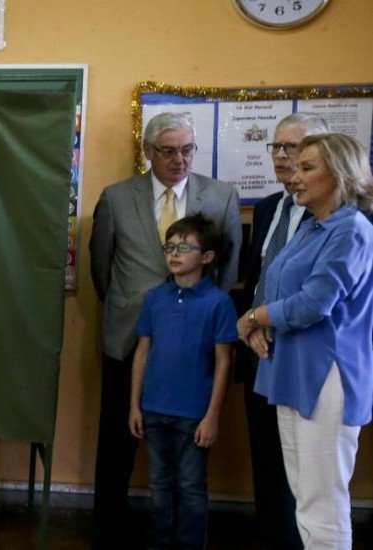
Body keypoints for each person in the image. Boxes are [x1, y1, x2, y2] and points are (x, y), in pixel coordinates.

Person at [88, 111, 242, 548]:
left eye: (188, 150)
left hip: (194, 343)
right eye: (169, 151)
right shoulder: (117, 198)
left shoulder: (221, 196)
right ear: (148, 152)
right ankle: (109, 530)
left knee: (189, 450)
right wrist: (128, 310)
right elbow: (102, 269)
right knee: (118, 441)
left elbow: (227, 269)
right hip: (129, 339)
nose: (180, 160)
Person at [240, 132, 373, 549]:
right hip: (290, 370)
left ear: (341, 173)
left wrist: (254, 317)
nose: (294, 176)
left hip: (326, 375)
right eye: (296, 168)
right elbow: (277, 287)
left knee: (323, 503)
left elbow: (313, 303)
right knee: (303, 498)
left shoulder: (350, 228)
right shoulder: (311, 227)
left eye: (307, 167)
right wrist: (261, 321)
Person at [238, 112, 330, 549]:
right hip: (259, 353)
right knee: (268, 465)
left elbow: (317, 297)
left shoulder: (338, 216)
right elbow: (258, 275)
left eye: (290, 147)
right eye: (274, 146)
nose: (279, 155)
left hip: (303, 356)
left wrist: (261, 319)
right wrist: (252, 326)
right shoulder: (269, 207)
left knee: (306, 475)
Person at [129, 214, 238, 549]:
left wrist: (212, 416)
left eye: (184, 248)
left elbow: (224, 362)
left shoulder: (219, 303)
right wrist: (135, 405)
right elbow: (143, 352)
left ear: (206, 257)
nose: (174, 254)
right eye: (170, 246)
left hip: (194, 414)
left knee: (191, 487)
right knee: (159, 486)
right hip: (154, 409)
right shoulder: (155, 298)